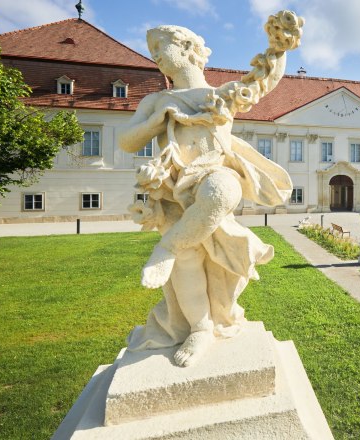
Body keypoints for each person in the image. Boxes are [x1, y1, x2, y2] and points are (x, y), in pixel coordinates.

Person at [117, 11, 303, 367]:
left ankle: (166, 247)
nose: (154, 54)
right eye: (152, 48)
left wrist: (280, 47)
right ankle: (200, 329)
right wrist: (160, 118)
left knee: (221, 191)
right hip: (173, 189)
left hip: (213, 175)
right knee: (189, 261)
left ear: (187, 48)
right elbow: (127, 140)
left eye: (160, 46)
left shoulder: (221, 96)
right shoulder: (155, 102)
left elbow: (264, 79)